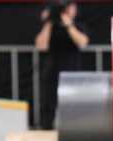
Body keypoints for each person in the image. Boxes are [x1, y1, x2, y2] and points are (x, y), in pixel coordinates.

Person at [34, 0, 89, 129]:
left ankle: (73, 132)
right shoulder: (50, 27)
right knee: (49, 104)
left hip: (72, 72)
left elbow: (82, 42)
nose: (71, 10)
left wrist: (69, 25)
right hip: (52, 71)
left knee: (73, 105)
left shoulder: (78, 25)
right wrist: (48, 22)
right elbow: (41, 45)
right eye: (68, 8)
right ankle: (47, 129)